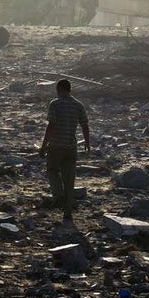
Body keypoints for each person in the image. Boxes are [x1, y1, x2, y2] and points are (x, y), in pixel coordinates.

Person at [39, 79, 90, 222]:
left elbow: (51, 126)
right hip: (71, 147)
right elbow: (85, 125)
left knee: (52, 171)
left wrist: (44, 145)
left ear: (58, 89)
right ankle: (67, 212)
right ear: (70, 90)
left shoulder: (55, 104)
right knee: (69, 179)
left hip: (55, 147)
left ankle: (58, 195)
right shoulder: (78, 105)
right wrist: (87, 143)